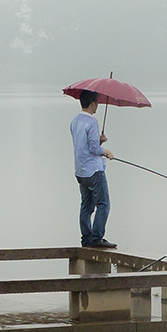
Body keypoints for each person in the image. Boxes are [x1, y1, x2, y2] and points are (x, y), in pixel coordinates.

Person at [73, 90, 117, 249]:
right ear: (92, 103)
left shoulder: (75, 121)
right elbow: (92, 148)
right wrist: (106, 151)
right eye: (97, 102)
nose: (98, 105)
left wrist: (99, 141)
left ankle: (86, 239)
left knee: (86, 206)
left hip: (80, 171)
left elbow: (83, 144)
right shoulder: (92, 122)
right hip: (94, 171)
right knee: (103, 203)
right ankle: (97, 237)